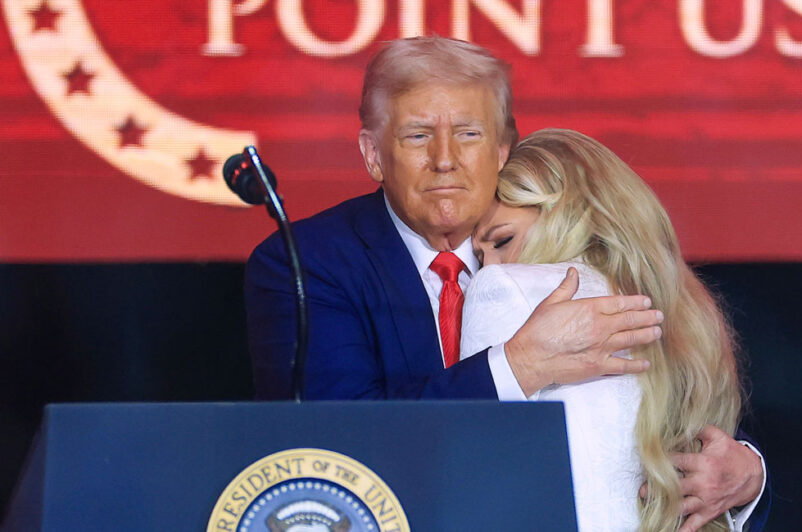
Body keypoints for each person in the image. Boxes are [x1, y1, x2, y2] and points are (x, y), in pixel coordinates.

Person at [244, 36, 766, 530]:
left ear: (501, 148)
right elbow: (330, 443)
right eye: (418, 135)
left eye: (469, 134)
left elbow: (648, 398)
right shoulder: (307, 262)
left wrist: (745, 473)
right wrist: (516, 366)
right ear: (373, 154)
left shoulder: (550, 240)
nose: (445, 158)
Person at [463, 129, 762, 532]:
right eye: (478, 258)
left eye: (503, 240)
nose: (491, 268)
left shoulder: (504, 291)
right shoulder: (690, 311)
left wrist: (750, 474)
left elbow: (464, 469)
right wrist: (753, 472)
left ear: (568, 216)